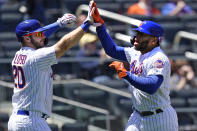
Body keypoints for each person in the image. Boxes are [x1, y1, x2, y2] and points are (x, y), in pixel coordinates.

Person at [88, 0, 178, 130]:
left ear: (154, 40)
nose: (136, 37)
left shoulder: (159, 58)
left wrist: (126, 74)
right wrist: (100, 25)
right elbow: (111, 50)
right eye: (137, 33)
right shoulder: (135, 53)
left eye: (142, 35)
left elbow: (152, 86)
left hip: (160, 118)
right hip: (137, 116)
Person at [7, 2, 94, 130]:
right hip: (30, 121)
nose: (42, 36)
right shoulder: (35, 57)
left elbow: (39, 37)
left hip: (22, 119)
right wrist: (87, 23)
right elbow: (63, 45)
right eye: (38, 34)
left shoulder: (19, 54)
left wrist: (59, 24)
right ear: (27, 38)